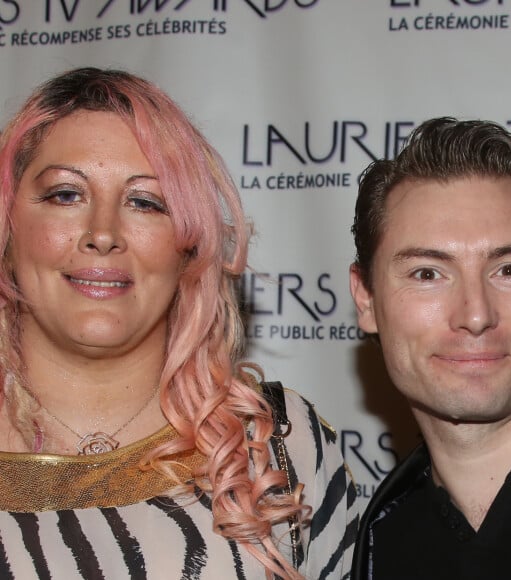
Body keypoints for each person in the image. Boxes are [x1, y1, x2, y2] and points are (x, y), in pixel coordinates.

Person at [0, 67, 358, 579]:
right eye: (65, 195)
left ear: (188, 244)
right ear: (9, 225)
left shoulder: (280, 442)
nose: (103, 233)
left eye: (145, 202)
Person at [349, 117, 511, 579]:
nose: (475, 315)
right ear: (366, 300)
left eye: (509, 270)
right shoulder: (374, 538)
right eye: (427, 274)